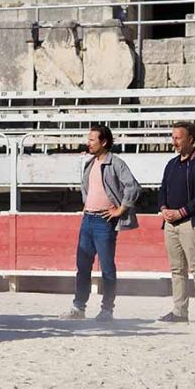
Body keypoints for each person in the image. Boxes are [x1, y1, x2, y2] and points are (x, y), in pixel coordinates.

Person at [60, 125, 141, 322]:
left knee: (107, 267)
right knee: (83, 265)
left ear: (103, 142)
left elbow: (133, 187)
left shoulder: (116, 163)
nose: (88, 143)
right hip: (88, 218)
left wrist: (121, 209)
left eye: (92, 140)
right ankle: (79, 307)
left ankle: (107, 310)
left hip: (104, 221)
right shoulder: (90, 163)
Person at [157, 121, 195, 327]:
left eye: (178, 138)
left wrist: (182, 211)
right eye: (173, 137)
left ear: (191, 139)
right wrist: (164, 208)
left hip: (193, 222)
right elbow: (162, 189)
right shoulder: (171, 164)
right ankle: (180, 311)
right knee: (177, 269)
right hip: (171, 223)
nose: (174, 142)